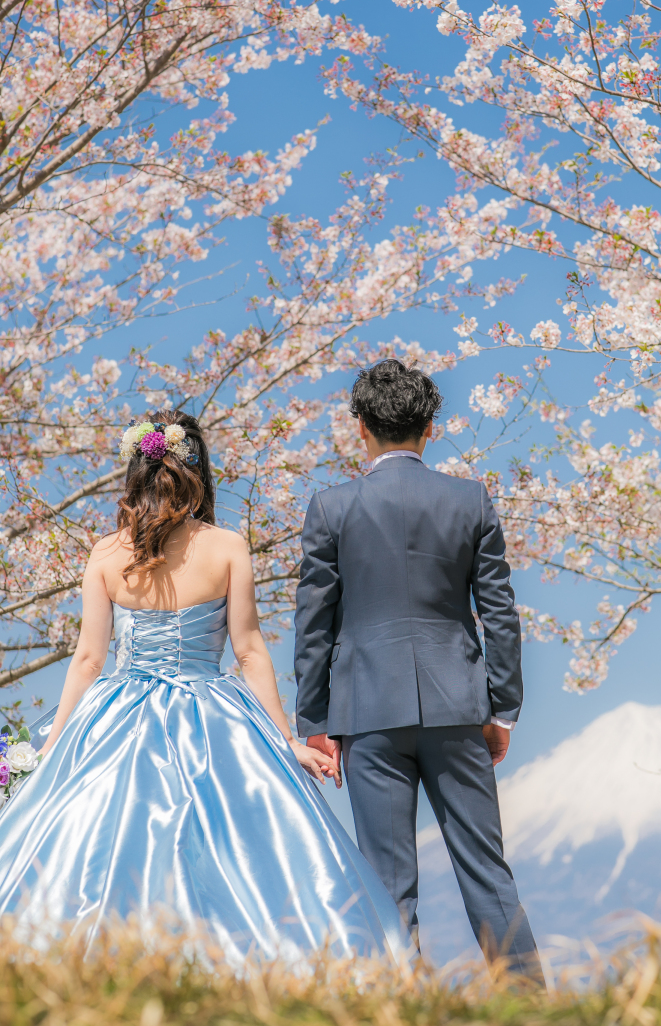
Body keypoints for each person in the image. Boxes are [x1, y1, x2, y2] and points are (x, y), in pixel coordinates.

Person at [0, 412, 405, 966]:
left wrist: (52, 750)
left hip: (117, 716)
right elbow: (249, 651)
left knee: (105, 842)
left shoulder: (105, 554)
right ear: (199, 472)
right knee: (235, 852)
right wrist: (285, 742)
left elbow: (90, 658)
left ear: (135, 475)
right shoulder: (228, 547)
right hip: (214, 713)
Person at [294, 359, 542, 979]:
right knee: (486, 868)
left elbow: (313, 624)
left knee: (385, 880)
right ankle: (532, 1006)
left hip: (368, 712)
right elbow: (499, 616)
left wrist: (316, 719)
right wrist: (502, 708)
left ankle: (397, 1006)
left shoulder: (331, 509)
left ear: (360, 429)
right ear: (430, 427)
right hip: (458, 706)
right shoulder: (470, 500)